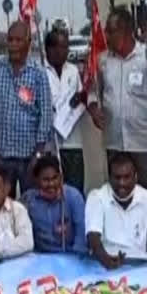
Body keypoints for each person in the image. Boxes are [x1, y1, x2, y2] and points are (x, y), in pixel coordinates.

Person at [87, 7, 147, 198]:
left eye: (110, 31)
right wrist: (93, 109)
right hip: (115, 143)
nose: (106, 35)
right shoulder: (102, 61)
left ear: (125, 31)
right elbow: (93, 92)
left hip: (144, 143)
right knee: (119, 196)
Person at [86, 152, 147, 274]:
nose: (122, 183)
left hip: (139, 266)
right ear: (109, 178)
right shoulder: (97, 197)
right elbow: (93, 239)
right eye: (117, 177)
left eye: (126, 177)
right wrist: (106, 260)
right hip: (103, 264)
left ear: (136, 177)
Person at [0, 21, 53, 197]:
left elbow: (45, 115)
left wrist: (38, 154)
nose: (13, 45)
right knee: (4, 209)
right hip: (3, 156)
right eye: (10, 40)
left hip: (29, 157)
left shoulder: (38, 73)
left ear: (28, 43)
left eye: (18, 40)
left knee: (30, 207)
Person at [44, 28, 87, 193]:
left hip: (73, 141)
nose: (64, 51)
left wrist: (80, 98)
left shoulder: (73, 71)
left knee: (75, 191)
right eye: (60, 47)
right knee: (52, 192)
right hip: (50, 145)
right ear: (49, 49)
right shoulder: (40, 72)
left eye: (66, 47)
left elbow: (81, 96)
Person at [21, 155, 87, 254]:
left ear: (61, 177)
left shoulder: (73, 196)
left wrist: (76, 259)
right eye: (46, 180)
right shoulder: (28, 200)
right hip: (40, 257)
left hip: (71, 256)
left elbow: (81, 236)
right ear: (36, 180)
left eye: (55, 178)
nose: (51, 184)